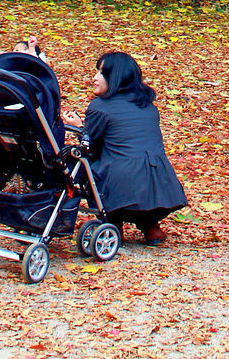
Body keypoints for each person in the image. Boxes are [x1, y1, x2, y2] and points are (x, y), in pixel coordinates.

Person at [64, 51, 187, 244]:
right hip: (160, 182)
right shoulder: (148, 106)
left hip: (120, 181)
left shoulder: (100, 107)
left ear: (115, 77)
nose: (95, 78)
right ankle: (151, 226)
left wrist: (80, 128)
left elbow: (91, 145)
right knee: (133, 164)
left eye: (101, 73)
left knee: (87, 165)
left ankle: (112, 224)